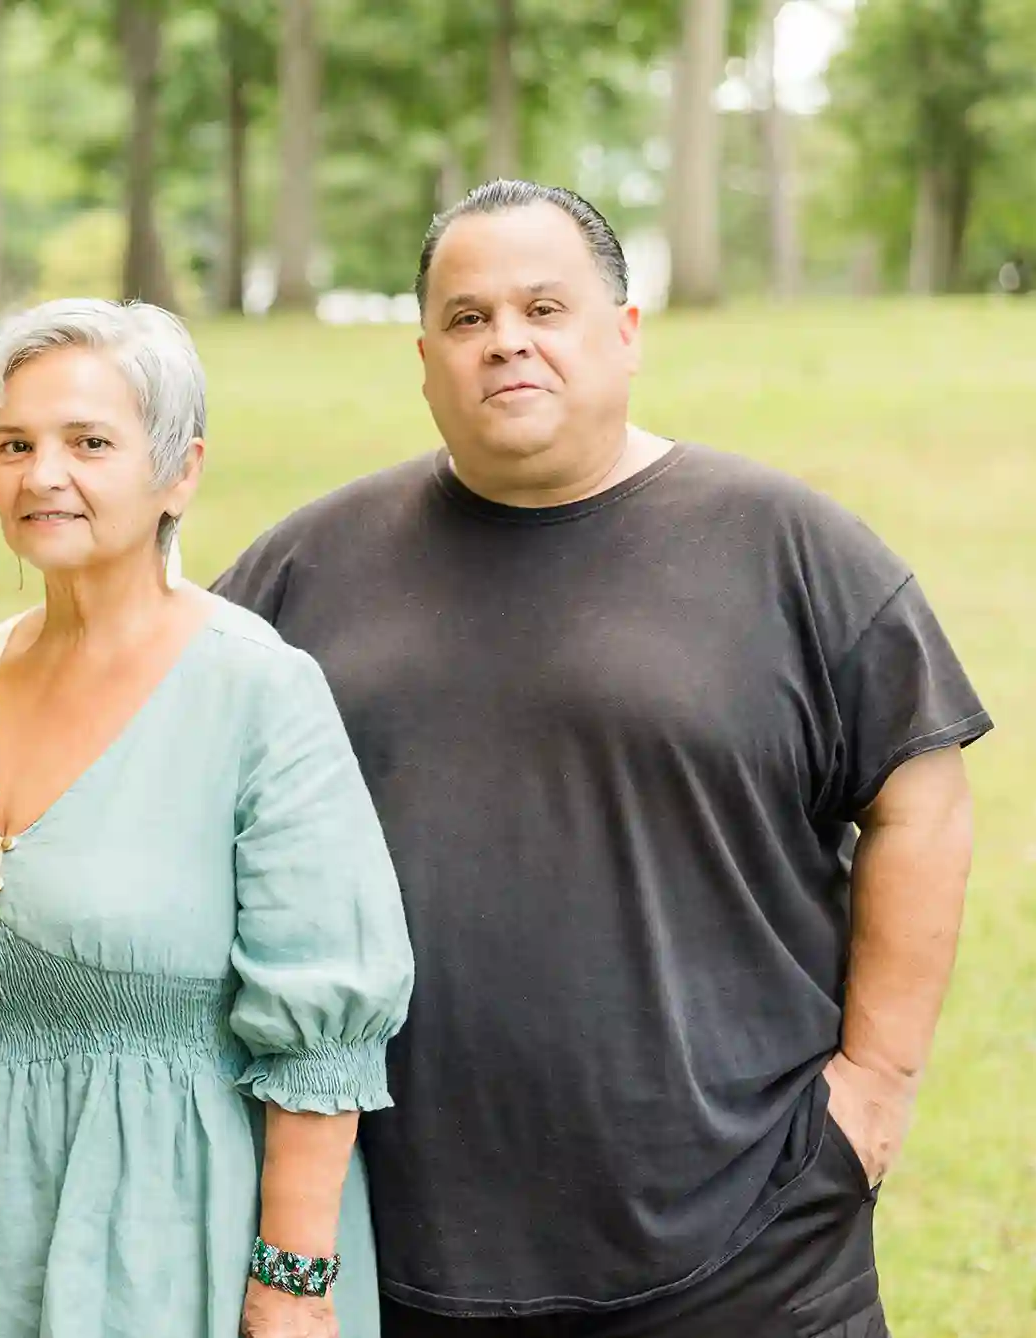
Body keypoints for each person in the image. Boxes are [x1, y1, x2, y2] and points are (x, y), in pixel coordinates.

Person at [212, 181, 991, 1337]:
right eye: (468, 319)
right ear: (424, 359)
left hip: (748, 1244)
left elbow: (921, 797)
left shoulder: (788, 550)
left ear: (624, 333)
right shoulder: (303, 573)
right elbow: (126, 691)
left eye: (544, 307)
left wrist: (873, 1092)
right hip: (400, 1242)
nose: (506, 342)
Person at [0, 298, 414, 1338]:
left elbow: (325, 1026)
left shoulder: (258, 693)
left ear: (180, 472)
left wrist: (292, 1283)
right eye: (15, 443)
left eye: (89, 442)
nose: (42, 473)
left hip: (166, 1233)